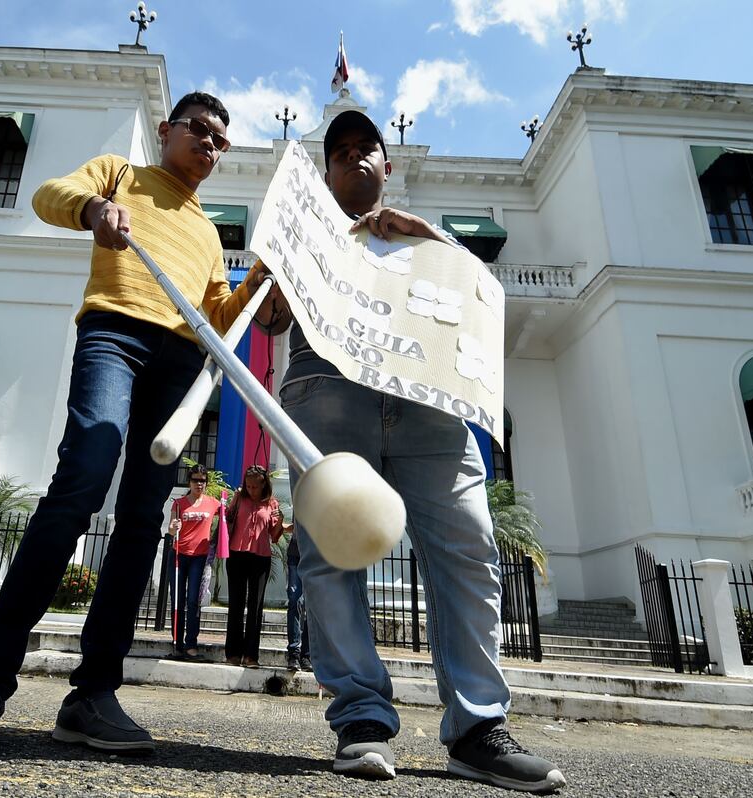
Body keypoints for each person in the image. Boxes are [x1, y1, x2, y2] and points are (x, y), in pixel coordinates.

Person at [0, 91, 270, 755]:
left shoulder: (207, 231)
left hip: (180, 362)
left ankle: (92, 695)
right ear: (166, 129)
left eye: (220, 141)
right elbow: (49, 194)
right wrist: (93, 209)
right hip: (114, 334)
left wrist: (259, 281)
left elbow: (220, 318)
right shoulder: (120, 172)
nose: (210, 145)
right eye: (199, 130)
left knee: (141, 517)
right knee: (83, 475)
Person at [257, 110, 567, 793]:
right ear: (326, 173)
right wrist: (286, 257)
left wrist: (429, 237)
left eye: (365, 147)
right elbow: (270, 317)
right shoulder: (307, 232)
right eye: (339, 151)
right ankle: (361, 719)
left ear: (386, 164)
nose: (353, 157)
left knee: (468, 547)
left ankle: (479, 728)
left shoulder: (429, 238)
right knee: (330, 555)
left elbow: (478, 301)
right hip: (328, 389)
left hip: (429, 397)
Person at [223, 464, 281, 667]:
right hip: (236, 554)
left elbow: (274, 535)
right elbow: (227, 519)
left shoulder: (272, 503)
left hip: (260, 557)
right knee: (236, 604)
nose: (251, 490)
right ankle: (233, 654)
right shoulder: (239, 498)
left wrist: (279, 521)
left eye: (255, 486)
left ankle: (250, 656)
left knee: (255, 607)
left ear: (264, 485)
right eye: (248, 486)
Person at [167, 464, 222, 660]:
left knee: (193, 601)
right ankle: (177, 644)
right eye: (195, 480)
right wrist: (174, 527)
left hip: (200, 557)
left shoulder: (213, 503)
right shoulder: (179, 503)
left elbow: (228, 516)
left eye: (202, 481)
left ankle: (191, 644)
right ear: (189, 482)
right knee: (177, 600)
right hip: (179, 554)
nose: (199, 484)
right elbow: (170, 530)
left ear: (206, 483)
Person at [282, 517, 311, 672]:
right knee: (295, 601)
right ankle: (294, 653)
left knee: (311, 604)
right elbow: (297, 526)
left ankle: (307, 654)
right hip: (296, 553)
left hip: (315, 557)